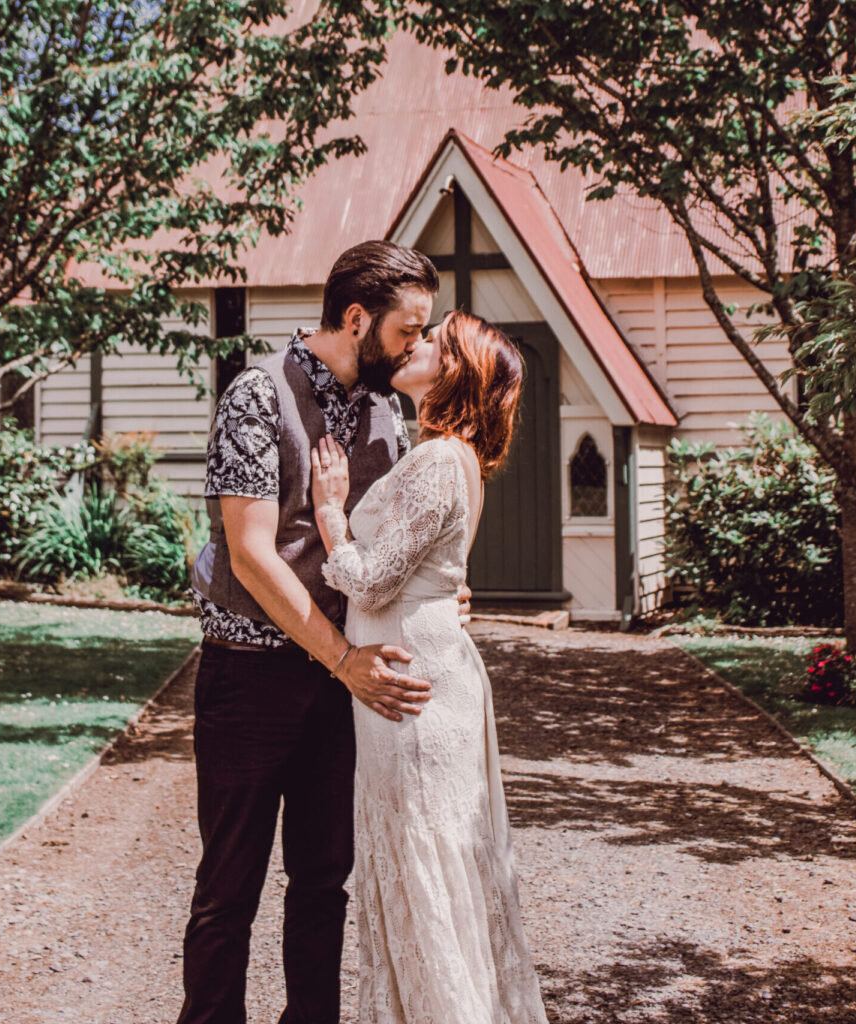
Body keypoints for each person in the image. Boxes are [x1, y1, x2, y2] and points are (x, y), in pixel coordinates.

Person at [179, 240, 470, 1024]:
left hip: (343, 687)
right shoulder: (256, 395)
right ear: (355, 318)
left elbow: (390, 549)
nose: (418, 347)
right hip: (251, 678)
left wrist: (441, 597)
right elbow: (249, 551)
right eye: (409, 330)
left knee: (322, 881)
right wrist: (344, 660)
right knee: (228, 890)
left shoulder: (388, 413)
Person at [311, 309, 549, 1024]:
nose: (414, 345)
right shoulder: (444, 454)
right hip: (420, 666)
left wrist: (330, 513)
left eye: (433, 342)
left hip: (411, 687)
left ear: (456, 372)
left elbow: (377, 580)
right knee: (424, 854)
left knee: (423, 855)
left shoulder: (443, 457)